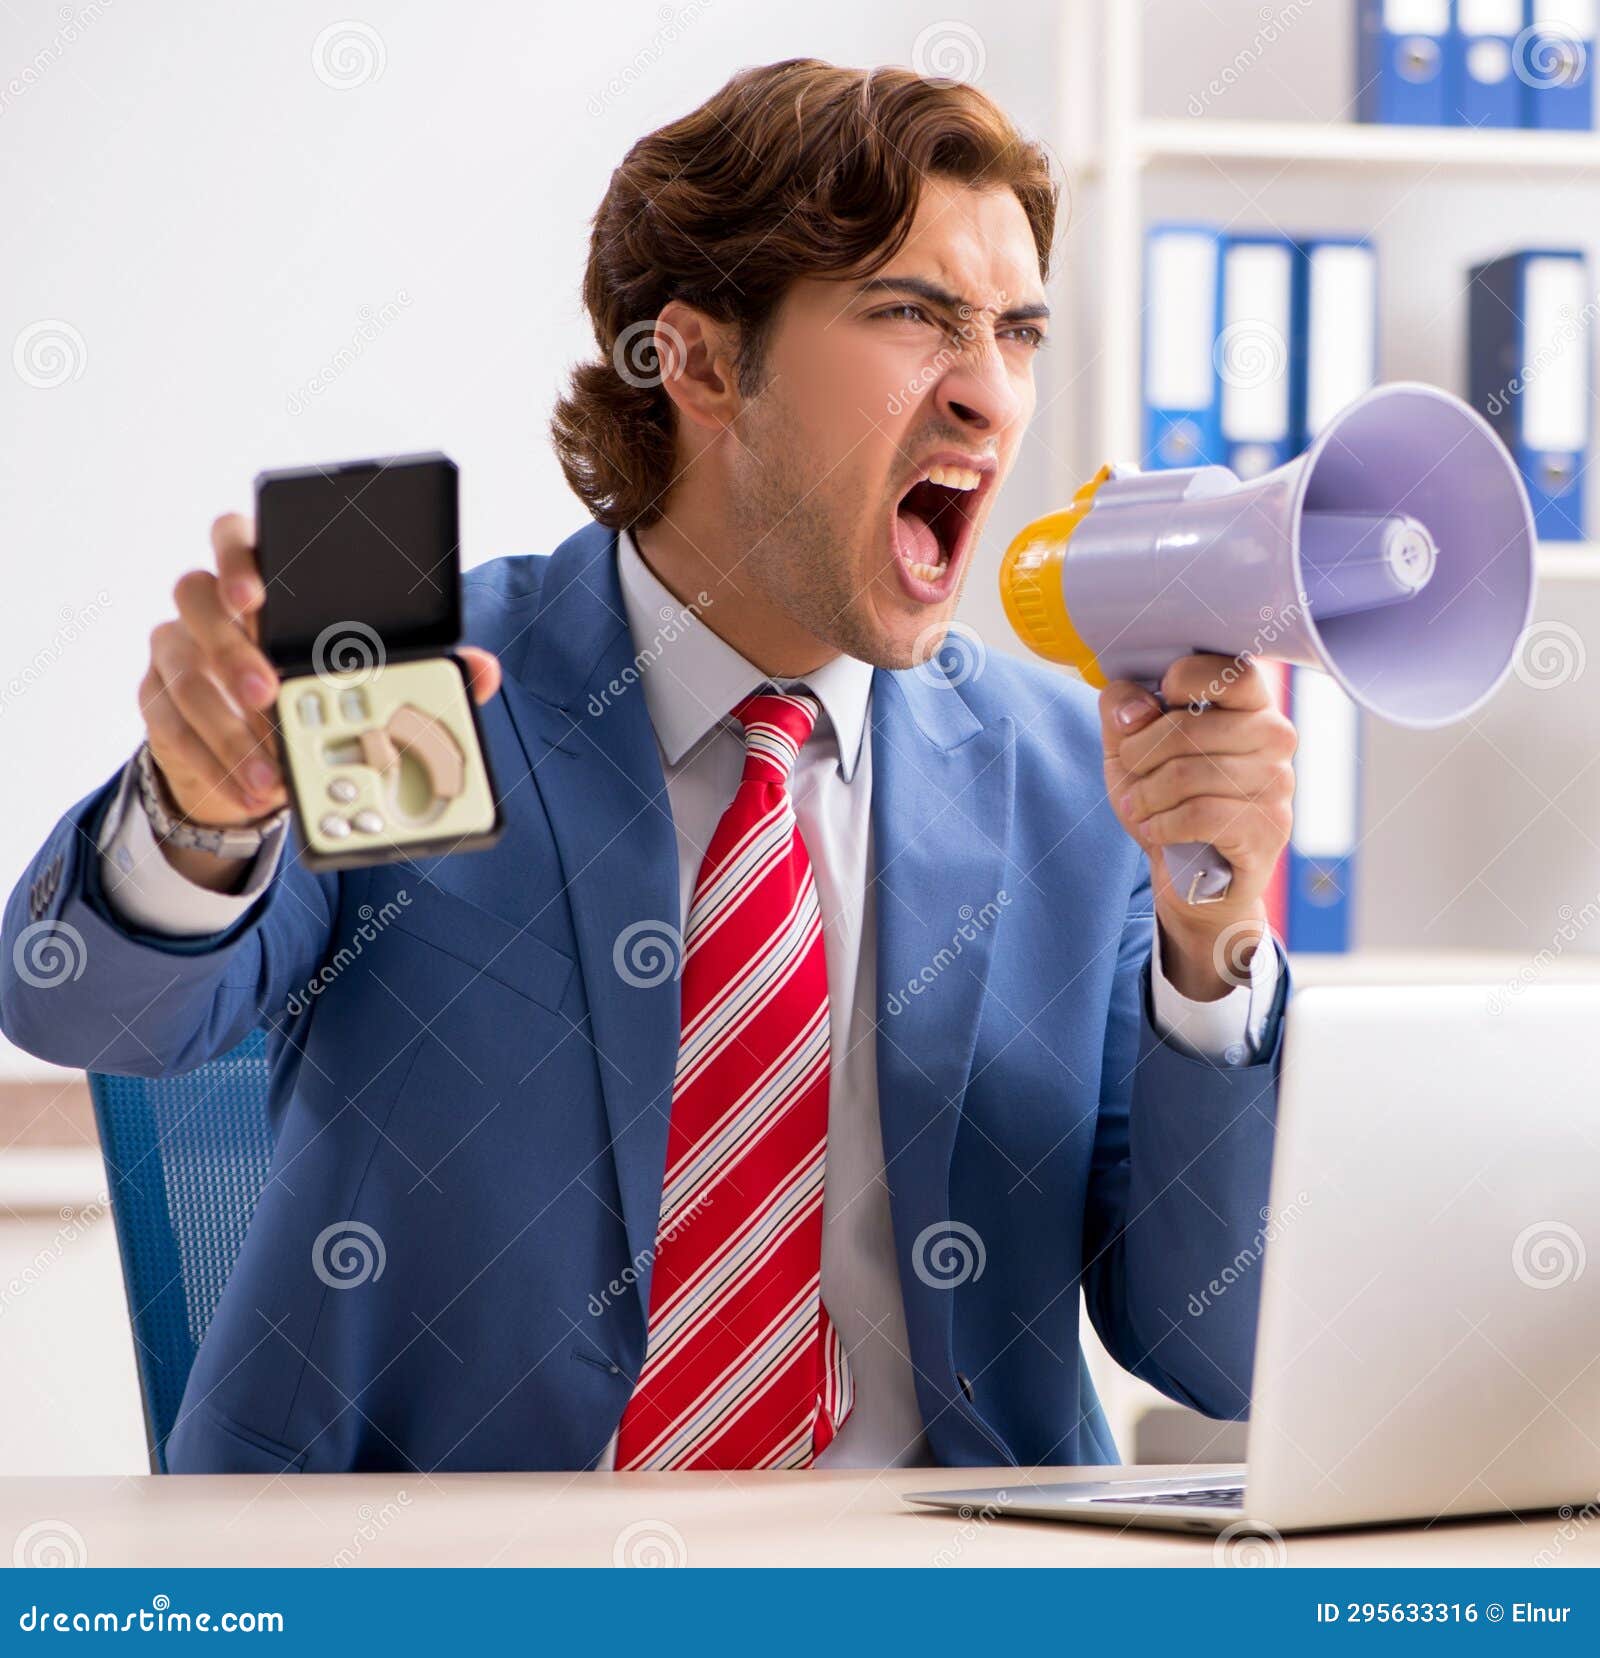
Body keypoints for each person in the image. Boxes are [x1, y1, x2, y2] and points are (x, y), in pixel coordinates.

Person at [0, 60, 1295, 1474]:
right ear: (698, 361)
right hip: (456, 1594)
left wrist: (1213, 941)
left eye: (1019, 333)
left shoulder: (1074, 783)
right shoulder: (414, 678)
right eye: (915, 317)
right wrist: (198, 818)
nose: (991, 394)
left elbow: (1215, 1347)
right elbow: (86, 1012)